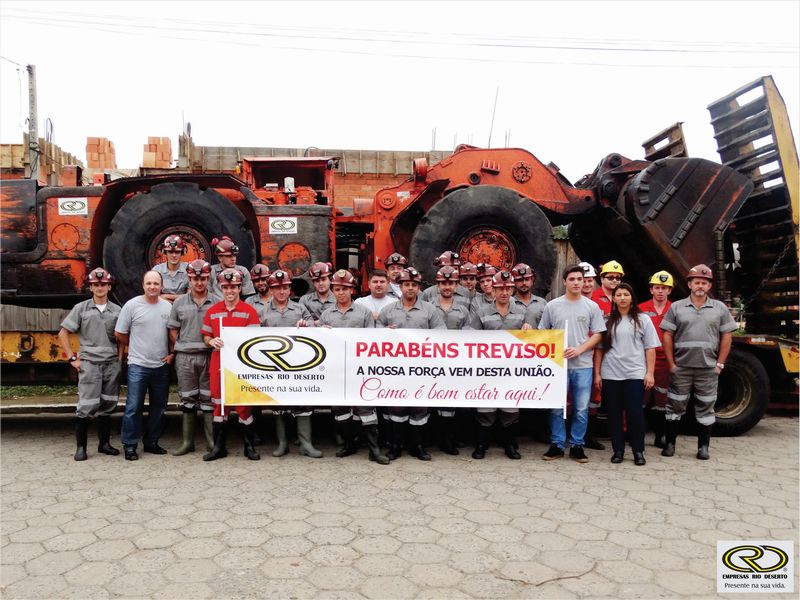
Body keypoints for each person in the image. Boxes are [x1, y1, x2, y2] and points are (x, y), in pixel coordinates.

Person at [660, 264, 736, 460]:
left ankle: (703, 448)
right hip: (682, 368)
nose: (700, 286)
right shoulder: (677, 307)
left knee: (706, 408)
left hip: (708, 369)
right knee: (675, 406)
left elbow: (727, 336)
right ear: (689, 284)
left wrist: (719, 364)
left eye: (704, 282)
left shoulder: (719, 308)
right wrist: (672, 364)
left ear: (709, 286)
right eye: (696, 282)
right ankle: (670, 445)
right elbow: (667, 335)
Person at [320, 269, 390, 465]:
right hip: (336, 369)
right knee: (340, 409)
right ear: (333, 290)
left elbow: (372, 341)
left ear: (352, 290)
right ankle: (349, 445)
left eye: (345, 289)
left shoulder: (364, 312)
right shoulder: (326, 314)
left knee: (366, 408)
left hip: (359, 369)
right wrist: (319, 331)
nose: (341, 292)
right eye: (337, 289)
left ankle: (374, 450)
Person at [538, 264, 606, 463]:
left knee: (581, 408)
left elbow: (598, 334)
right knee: (557, 406)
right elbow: (543, 332)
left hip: (583, 365)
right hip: (558, 365)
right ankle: (557, 444)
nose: (577, 283)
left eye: (580, 279)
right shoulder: (552, 306)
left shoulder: (591, 307)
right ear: (564, 282)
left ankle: (577, 445)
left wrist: (580, 349)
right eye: (572, 279)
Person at [377, 267, 446, 460]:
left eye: (414, 285)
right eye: (406, 284)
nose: (410, 288)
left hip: (421, 368)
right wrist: (385, 332)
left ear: (418, 287)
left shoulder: (430, 310)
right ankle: (396, 446)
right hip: (395, 368)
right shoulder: (389, 310)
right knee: (396, 407)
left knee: (419, 406)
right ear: (400, 287)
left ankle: (418, 446)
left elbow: (441, 334)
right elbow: (374, 334)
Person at [58, 268, 122, 461]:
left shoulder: (117, 310)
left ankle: (104, 445)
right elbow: (63, 333)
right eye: (96, 285)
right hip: (90, 364)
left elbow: (121, 338)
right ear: (91, 287)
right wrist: (72, 359)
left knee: (107, 406)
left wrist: (119, 359)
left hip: (110, 364)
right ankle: (81, 448)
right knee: (86, 407)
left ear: (109, 287)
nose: (100, 288)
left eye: (103, 284)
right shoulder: (81, 308)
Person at [593, 283, 660, 466]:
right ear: (613, 298)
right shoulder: (606, 321)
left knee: (635, 413)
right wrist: (597, 373)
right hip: (611, 373)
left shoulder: (643, 319)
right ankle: (618, 450)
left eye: (626, 295)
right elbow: (599, 349)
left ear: (632, 298)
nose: (622, 298)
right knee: (614, 413)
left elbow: (650, 348)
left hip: (634, 373)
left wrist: (650, 373)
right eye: (619, 295)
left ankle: (638, 451)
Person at [470, 270, 534, 460]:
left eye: (508, 288)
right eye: (500, 289)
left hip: (512, 371)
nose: (504, 292)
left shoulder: (522, 312)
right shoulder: (482, 312)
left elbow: (534, 342)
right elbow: (469, 339)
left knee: (510, 409)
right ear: (494, 290)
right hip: (487, 370)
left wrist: (529, 330)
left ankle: (510, 446)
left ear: (512, 289)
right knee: (485, 409)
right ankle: (481, 445)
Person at [201, 268, 262, 461]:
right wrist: (211, 341)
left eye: (234, 287)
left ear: (240, 288)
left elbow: (255, 340)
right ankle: (219, 448)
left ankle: (249, 447)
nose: (230, 291)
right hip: (218, 364)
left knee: (244, 406)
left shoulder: (249, 311)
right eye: (226, 287)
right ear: (221, 287)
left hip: (242, 367)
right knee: (219, 405)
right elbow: (206, 336)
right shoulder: (213, 311)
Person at [260, 269, 321, 458]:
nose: (281, 291)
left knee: (303, 403)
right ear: (271, 289)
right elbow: (253, 336)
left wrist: (307, 326)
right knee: (278, 405)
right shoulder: (262, 311)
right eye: (277, 288)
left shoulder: (300, 309)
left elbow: (314, 326)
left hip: (298, 365)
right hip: (273, 365)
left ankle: (306, 444)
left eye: (285, 288)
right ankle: (282, 444)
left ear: (289, 290)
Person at [115, 271, 173, 461]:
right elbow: (119, 333)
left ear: (161, 286)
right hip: (138, 365)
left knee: (159, 407)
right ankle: (130, 445)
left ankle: (151, 442)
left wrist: (172, 353)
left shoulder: (167, 307)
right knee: (133, 406)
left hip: (161, 365)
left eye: (156, 283)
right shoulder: (131, 306)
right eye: (149, 283)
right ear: (143, 285)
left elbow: (172, 334)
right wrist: (134, 345)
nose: (152, 287)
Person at [168, 259, 220, 456]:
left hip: (209, 356)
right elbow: (173, 329)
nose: (199, 282)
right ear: (189, 279)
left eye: (203, 278)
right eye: (195, 279)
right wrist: (183, 344)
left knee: (208, 398)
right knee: (188, 399)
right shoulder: (179, 302)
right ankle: (187, 442)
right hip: (185, 358)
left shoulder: (217, 301)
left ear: (208, 278)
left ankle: (211, 442)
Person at [428, 265, 472, 455]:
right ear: (438, 285)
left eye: (451, 283)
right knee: (430, 400)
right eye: (443, 283)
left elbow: (470, 334)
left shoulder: (463, 310)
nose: (447, 286)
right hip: (431, 362)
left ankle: (448, 441)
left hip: (454, 363)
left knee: (450, 402)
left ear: (456, 285)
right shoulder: (429, 307)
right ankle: (431, 438)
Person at [638, 270, 674, 448]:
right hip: (644, 358)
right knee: (641, 398)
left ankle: (660, 436)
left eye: (664, 288)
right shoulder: (641, 308)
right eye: (657, 287)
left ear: (669, 290)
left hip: (666, 360)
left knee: (663, 399)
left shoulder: (675, 309)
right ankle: (637, 435)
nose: (660, 291)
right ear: (651, 289)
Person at [154, 234, 189, 302]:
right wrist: (181, 297)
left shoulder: (188, 269)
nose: (174, 255)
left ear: (182, 252)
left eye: (177, 252)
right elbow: (154, 296)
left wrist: (165, 296)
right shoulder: (157, 270)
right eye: (170, 252)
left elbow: (191, 296)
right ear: (164, 252)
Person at [511, 263, 547, 327]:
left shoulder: (542, 303)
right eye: (520, 280)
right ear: (514, 282)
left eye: (527, 279)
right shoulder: (508, 303)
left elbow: (548, 327)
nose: (524, 283)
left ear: (532, 280)